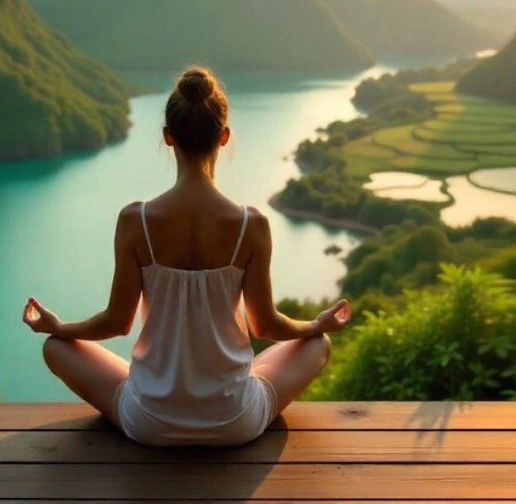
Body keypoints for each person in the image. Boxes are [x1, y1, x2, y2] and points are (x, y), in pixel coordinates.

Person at [22, 66, 351, 447]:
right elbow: (265, 326)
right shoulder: (252, 225)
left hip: (149, 423)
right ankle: (218, 389)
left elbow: (116, 322)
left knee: (55, 348)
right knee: (318, 345)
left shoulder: (136, 221)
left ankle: (161, 386)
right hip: (234, 422)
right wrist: (317, 324)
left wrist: (58, 327)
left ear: (168, 137)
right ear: (223, 137)